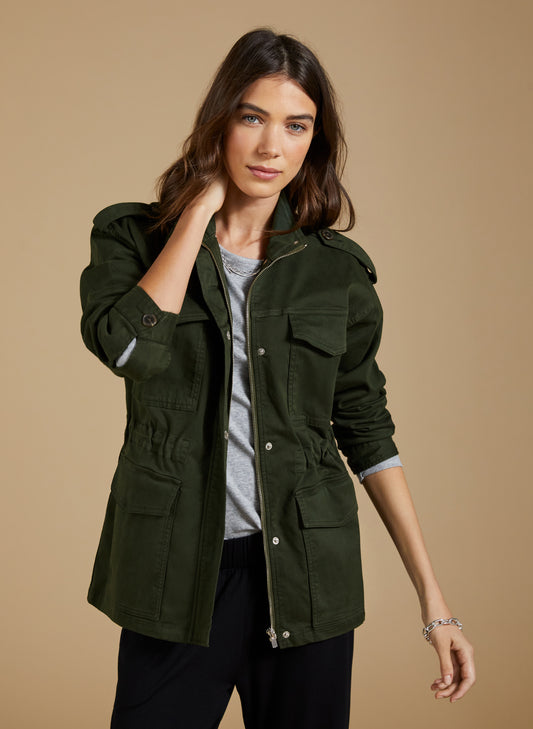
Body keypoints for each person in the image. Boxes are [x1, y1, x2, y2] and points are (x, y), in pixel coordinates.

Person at [79, 27, 475, 729]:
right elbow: (129, 351)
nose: (271, 146)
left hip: (306, 579)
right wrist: (197, 212)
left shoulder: (336, 273)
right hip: (173, 576)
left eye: (297, 125)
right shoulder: (131, 237)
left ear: (313, 141)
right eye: (252, 117)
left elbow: (367, 431)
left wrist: (434, 602)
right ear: (219, 122)